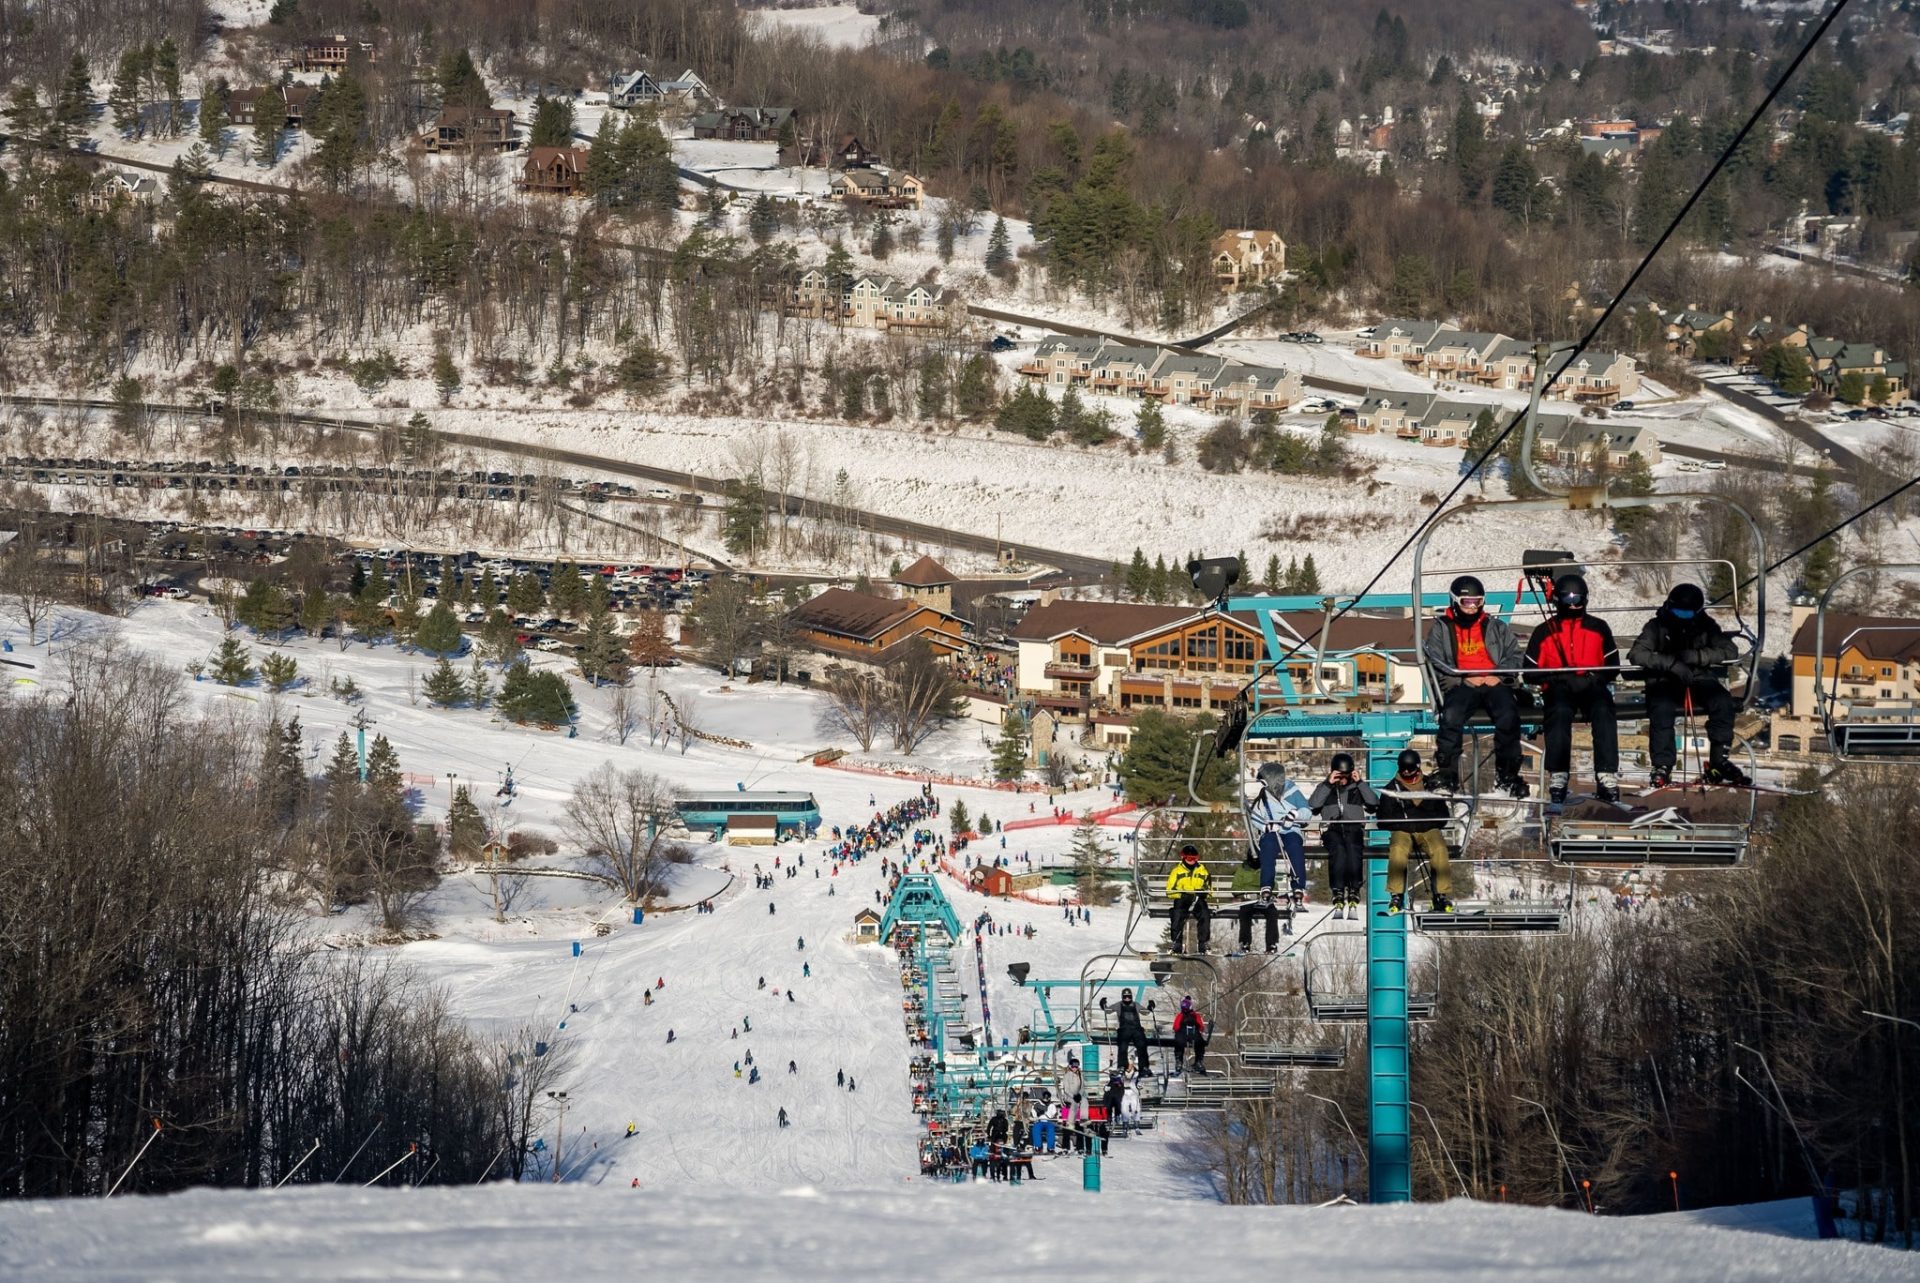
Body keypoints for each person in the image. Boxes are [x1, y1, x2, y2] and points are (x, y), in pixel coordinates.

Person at [1629, 582, 1747, 788]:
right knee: (1662, 708)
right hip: (1664, 680)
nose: (1681, 617)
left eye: (1687, 614)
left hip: (1698, 679)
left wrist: (1699, 656)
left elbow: (1729, 650)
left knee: (1722, 701)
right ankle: (1662, 765)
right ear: (1669, 606)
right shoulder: (1656, 626)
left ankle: (1719, 759)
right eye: (1677, 612)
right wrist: (1670, 663)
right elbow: (1637, 654)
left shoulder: (1706, 627)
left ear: (1697, 612)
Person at [1423, 576, 1529, 799]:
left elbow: (1515, 654)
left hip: (1493, 681)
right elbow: (1436, 660)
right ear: (1454, 601)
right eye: (1466, 602)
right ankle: (1447, 773)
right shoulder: (1442, 629)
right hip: (1463, 682)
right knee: (1451, 715)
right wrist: (1463, 678)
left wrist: (1498, 675)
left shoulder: (1496, 626)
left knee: (1508, 715)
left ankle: (1507, 775)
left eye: (1477, 602)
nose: (1472, 607)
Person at [1525, 573, 1621, 803]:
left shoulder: (1598, 628)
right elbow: (1529, 670)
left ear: (1585, 600)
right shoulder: (1544, 630)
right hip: (1559, 686)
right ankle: (1558, 773)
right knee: (1558, 712)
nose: (1572, 605)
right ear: (1558, 601)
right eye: (1567, 600)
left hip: (1591, 684)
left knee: (1603, 709)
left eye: (1577, 600)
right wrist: (1557, 677)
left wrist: (1595, 677)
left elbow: (1613, 665)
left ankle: (1606, 773)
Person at [1376, 748, 1454, 916]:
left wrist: (1418, 817)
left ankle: (1441, 894)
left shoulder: (1431, 786)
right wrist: (1409, 820)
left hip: (1428, 829)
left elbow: (1443, 816)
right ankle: (1396, 894)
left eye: (1410, 770)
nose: (1407, 774)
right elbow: (1382, 819)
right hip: (1403, 831)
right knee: (1398, 849)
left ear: (1418, 768)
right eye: (1403, 770)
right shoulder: (1392, 789)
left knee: (1439, 848)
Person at [1308, 753, 1377, 919]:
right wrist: (1327, 784)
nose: (1343, 780)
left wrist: (1360, 783)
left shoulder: (1357, 789)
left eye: (1346, 776)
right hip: (1332, 829)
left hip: (1353, 829)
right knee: (1338, 850)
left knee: (1354, 849)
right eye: (1340, 776)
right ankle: (1338, 889)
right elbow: (1313, 805)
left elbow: (1373, 803)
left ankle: (1354, 887)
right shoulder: (1326, 788)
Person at [1246, 762, 1308, 908]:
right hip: (1273, 830)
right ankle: (1266, 885)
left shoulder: (1293, 792)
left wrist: (1294, 816)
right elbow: (1255, 816)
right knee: (1267, 847)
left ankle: (1298, 885)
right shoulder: (1263, 797)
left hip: (1291, 829)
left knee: (1295, 847)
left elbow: (1307, 811)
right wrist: (1265, 827)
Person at [1164, 843, 1212, 954]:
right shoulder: (1177, 871)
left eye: (1194, 858)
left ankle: (1203, 943)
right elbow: (1170, 891)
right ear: (1183, 858)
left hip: (1197, 899)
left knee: (1205, 913)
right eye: (1189, 858)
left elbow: (1209, 889)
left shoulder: (1203, 871)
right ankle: (1177, 943)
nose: (1191, 861)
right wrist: (1182, 894)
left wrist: (1204, 893)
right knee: (1177, 914)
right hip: (1182, 899)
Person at [1231, 852, 1281, 954]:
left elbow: (1274, 887)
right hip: (1248, 900)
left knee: (1272, 913)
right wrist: (1244, 894)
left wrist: (1270, 895)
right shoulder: (1242, 870)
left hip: (1264, 899)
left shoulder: (1266, 869)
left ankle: (1271, 944)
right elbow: (1235, 888)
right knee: (1244, 913)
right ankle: (1245, 943)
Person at [1105, 989, 1153, 1076]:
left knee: (1142, 1046)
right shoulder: (1119, 1005)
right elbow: (1108, 1010)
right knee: (1122, 1047)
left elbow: (1145, 1012)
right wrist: (1103, 1005)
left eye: (1129, 997)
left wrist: (1150, 1007)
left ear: (1131, 997)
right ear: (1122, 997)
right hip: (1124, 1029)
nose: (1127, 999)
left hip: (1136, 1029)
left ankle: (1144, 1067)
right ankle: (1122, 1066)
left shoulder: (1135, 1005)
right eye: (1125, 997)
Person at [1172, 996, 1209, 1074]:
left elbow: (1175, 1027)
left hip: (1183, 1036)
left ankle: (1179, 1061)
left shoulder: (1180, 1016)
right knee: (1200, 1044)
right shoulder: (1196, 1016)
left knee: (1179, 1044)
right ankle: (1198, 1062)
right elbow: (1201, 1027)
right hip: (1194, 1036)